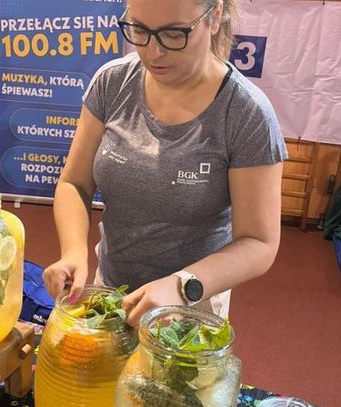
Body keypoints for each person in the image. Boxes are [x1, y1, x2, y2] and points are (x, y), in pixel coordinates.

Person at [43, 0, 288, 328]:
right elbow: (75, 183)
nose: (153, 52)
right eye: (140, 30)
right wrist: (73, 251)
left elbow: (259, 242)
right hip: (111, 291)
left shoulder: (246, 114)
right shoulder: (112, 82)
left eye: (174, 34)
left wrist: (180, 286)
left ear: (215, 16)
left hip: (191, 308)